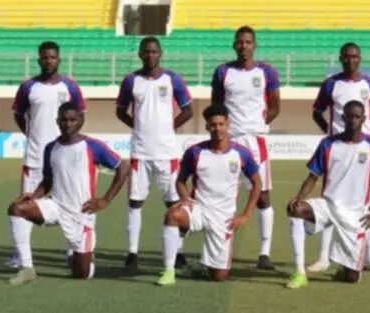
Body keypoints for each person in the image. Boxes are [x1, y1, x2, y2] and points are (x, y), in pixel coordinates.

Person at [286, 101, 370, 289]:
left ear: (364, 119)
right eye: (349, 116)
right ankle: (300, 273)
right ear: (343, 118)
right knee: (296, 210)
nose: (353, 120)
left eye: (357, 116)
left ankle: (346, 267)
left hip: (355, 216)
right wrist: (298, 197)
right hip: (329, 206)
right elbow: (312, 177)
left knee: (352, 278)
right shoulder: (328, 144)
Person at [7, 102, 129, 283]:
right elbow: (48, 180)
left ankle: (84, 257)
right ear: (57, 122)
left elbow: (123, 167)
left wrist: (105, 200)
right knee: (16, 209)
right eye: (64, 120)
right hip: (55, 206)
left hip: (82, 214)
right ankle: (27, 268)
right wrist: (34, 196)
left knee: (80, 275)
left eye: (73, 119)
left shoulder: (92, 146)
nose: (68, 124)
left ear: (81, 120)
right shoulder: (51, 148)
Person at [158, 104, 261, 286]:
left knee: (219, 277)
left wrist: (246, 215)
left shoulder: (241, 153)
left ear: (227, 125)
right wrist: (184, 199)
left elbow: (257, 183)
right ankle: (168, 271)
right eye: (213, 125)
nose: (217, 129)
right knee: (173, 215)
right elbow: (180, 180)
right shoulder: (195, 152)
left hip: (224, 217)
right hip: (199, 208)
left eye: (221, 124)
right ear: (207, 127)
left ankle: (205, 267)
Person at [310, 42, 370, 274]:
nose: (350, 60)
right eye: (346, 56)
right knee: (329, 201)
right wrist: (331, 135)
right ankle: (323, 258)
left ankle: (369, 257)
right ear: (340, 58)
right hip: (337, 151)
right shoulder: (330, 84)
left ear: (360, 58)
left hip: (363, 151)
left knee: (366, 202)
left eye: (354, 56)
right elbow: (316, 112)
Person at [116, 36, 193, 273]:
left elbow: (188, 110)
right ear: (140, 54)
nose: (150, 55)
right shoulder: (131, 80)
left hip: (166, 153)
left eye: (154, 51)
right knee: (135, 202)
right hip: (140, 152)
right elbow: (120, 111)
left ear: (160, 54)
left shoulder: (172, 79)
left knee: (173, 203)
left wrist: (169, 126)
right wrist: (138, 126)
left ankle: (177, 252)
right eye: (145, 52)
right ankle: (132, 252)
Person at [7, 41, 86, 269]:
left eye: (52, 57)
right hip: (34, 158)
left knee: (72, 205)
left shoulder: (70, 86)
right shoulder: (28, 87)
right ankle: (21, 255)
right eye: (44, 57)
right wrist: (31, 134)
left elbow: (80, 117)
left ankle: (73, 250)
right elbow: (19, 115)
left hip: (64, 159)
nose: (48, 61)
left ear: (58, 59)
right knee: (25, 203)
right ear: (39, 59)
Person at [211, 25, 280, 271]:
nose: (243, 46)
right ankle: (219, 247)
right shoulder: (222, 71)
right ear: (234, 44)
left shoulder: (267, 72)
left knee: (262, 195)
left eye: (248, 42)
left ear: (254, 45)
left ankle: (264, 252)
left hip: (254, 139)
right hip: (229, 140)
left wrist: (258, 124)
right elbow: (216, 106)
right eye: (239, 42)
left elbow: (275, 106)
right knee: (222, 194)